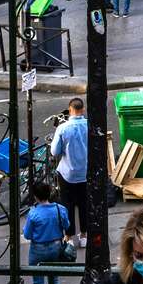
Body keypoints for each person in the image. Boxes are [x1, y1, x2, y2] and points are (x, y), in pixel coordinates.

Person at [21, 179, 72, 284]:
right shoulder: (60, 209)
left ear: (35, 196)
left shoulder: (33, 213)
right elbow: (67, 225)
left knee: (38, 283)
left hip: (38, 249)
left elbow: (27, 235)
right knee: (54, 280)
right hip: (56, 247)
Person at [50, 97, 90, 247]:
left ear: (70, 110)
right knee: (84, 204)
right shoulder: (90, 125)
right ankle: (84, 235)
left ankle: (69, 236)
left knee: (68, 205)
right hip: (85, 172)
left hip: (67, 174)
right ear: (83, 109)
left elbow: (54, 151)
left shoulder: (63, 128)